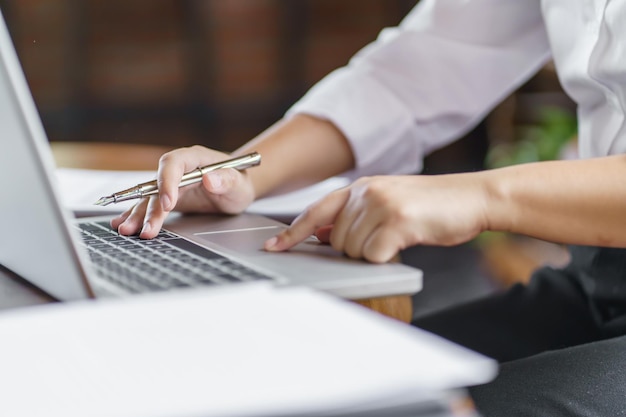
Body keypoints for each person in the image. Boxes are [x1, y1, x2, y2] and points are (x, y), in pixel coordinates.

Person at [112, 1, 626, 415]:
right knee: (328, 390)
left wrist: (481, 194)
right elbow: (426, 64)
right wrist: (243, 175)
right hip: (599, 280)